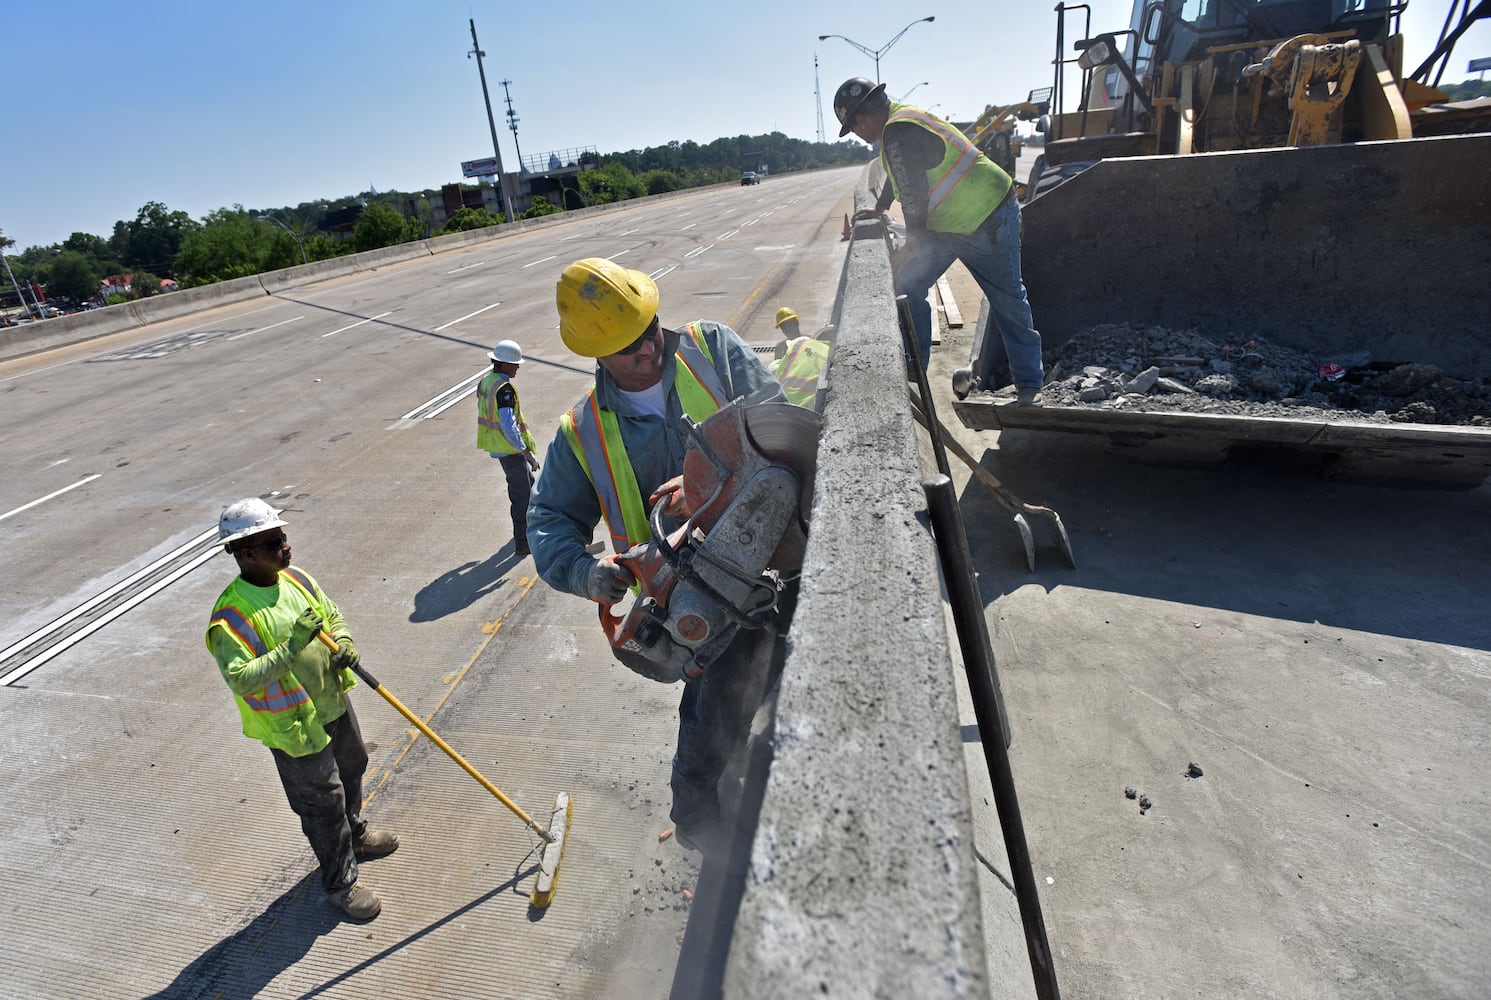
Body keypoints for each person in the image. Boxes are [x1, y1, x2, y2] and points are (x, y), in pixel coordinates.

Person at [528, 257, 788, 855]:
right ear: (597, 355)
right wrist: (583, 571)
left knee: (784, 690)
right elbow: (548, 521)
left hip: (777, 558)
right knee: (712, 719)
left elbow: (778, 425)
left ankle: (759, 782)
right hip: (698, 601)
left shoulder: (710, 349)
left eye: (649, 329)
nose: (648, 349)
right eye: (628, 347)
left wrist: (705, 484)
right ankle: (701, 830)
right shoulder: (584, 430)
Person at [205, 498, 399, 921]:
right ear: (246, 553)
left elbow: (332, 616)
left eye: (283, 537)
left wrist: (344, 642)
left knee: (354, 766)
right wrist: (292, 645)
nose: (286, 546)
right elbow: (242, 678)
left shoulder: (296, 579)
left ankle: (356, 835)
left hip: (332, 702)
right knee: (322, 805)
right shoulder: (230, 618)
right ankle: (340, 883)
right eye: (274, 542)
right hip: (293, 726)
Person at [834, 77, 1045, 406]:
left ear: (860, 118)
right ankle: (913, 370)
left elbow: (915, 195)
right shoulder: (901, 119)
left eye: (854, 128)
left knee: (1007, 302)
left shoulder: (897, 130)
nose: (859, 136)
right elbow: (901, 171)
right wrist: (881, 206)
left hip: (986, 217)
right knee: (906, 283)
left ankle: (1030, 386)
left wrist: (913, 246)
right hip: (949, 225)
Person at [477, 339, 540, 556]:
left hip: (500, 447)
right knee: (521, 495)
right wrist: (525, 451)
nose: (518, 367)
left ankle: (530, 531)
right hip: (510, 449)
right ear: (503, 364)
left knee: (529, 487)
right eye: (515, 364)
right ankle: (523, 543)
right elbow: (508, 424)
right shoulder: (504, 390)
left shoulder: (486, 381)